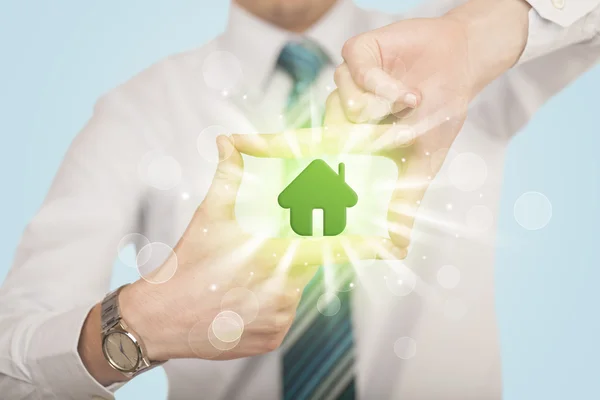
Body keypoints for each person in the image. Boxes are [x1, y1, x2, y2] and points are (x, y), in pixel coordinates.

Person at [0, 1, 598, 400]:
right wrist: (135, 327)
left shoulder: (452, 62)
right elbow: (11, 362)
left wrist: (475, 37)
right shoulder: (136, 114)